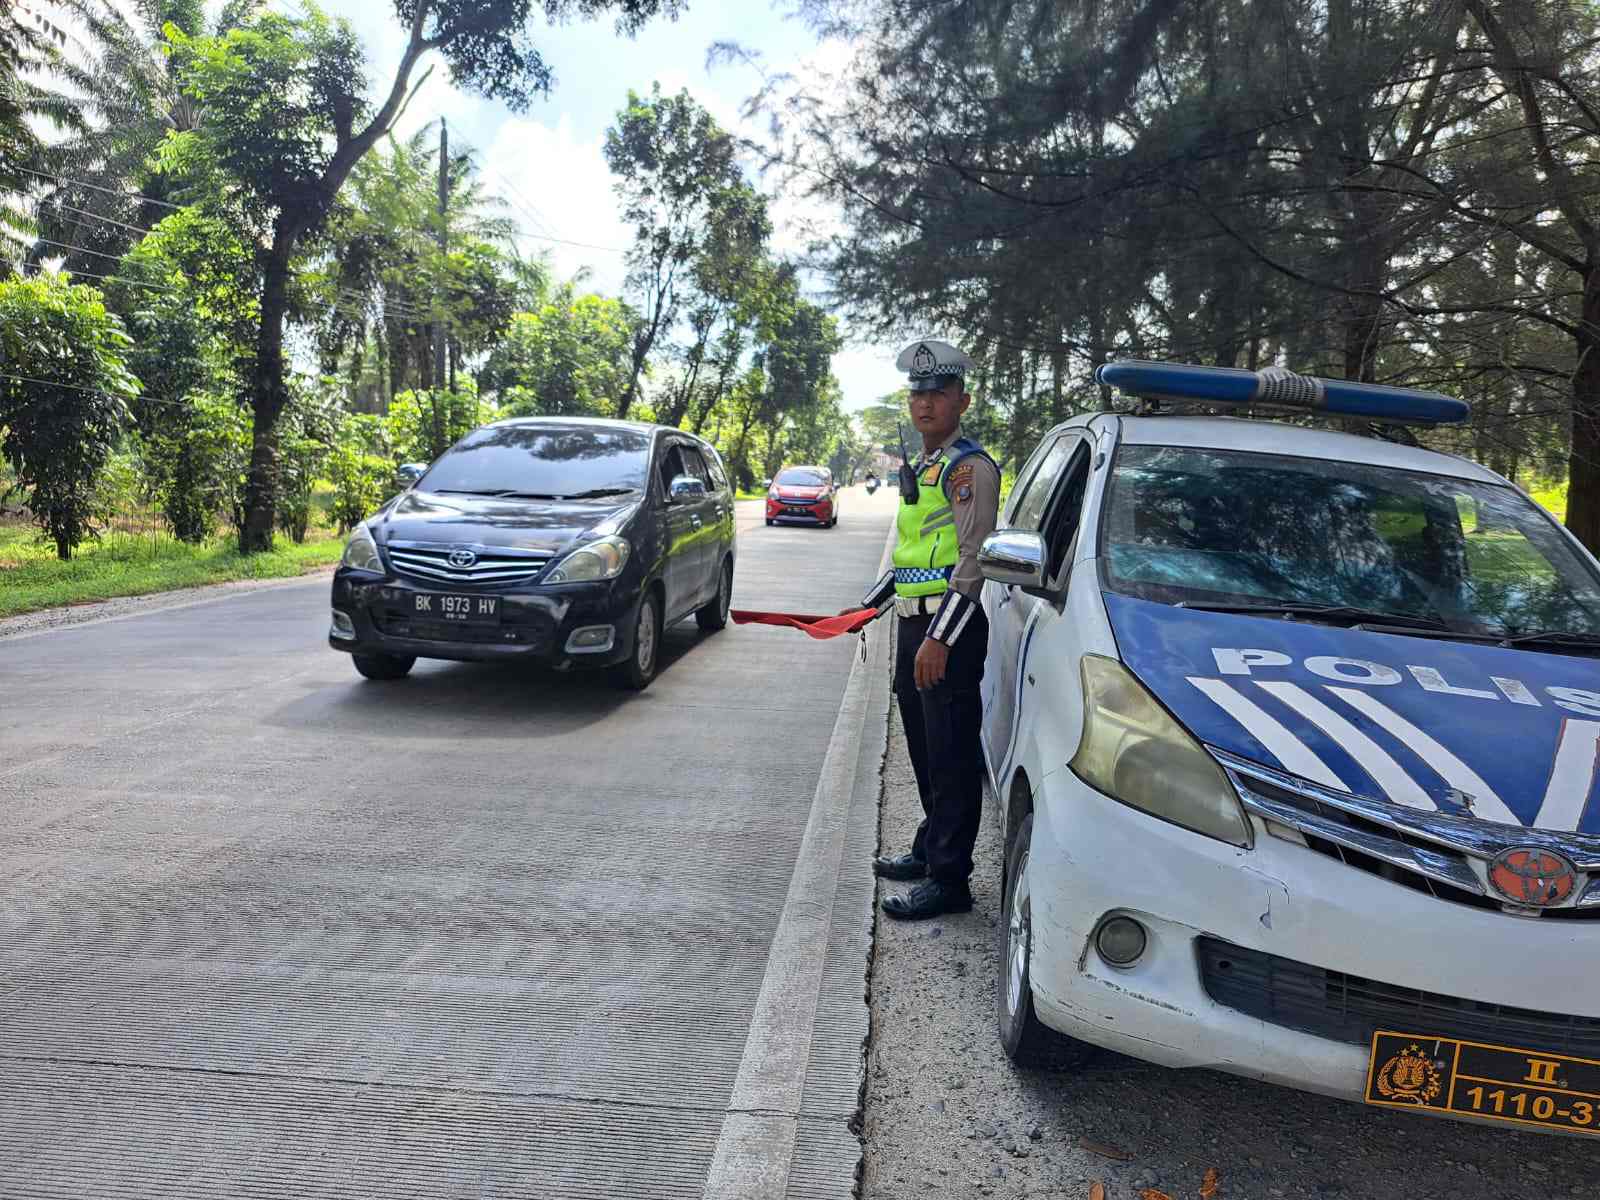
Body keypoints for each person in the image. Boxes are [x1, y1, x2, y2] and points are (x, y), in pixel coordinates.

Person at [869, 338, 1001, 920]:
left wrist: (939, 638)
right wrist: (869, 606)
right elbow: (914, 556)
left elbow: (972, 561)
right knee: (925, 749)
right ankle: (930, 849)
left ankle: (950, 880)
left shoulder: (969, 468)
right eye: (918, 393)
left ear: (962, 401)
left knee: (950, 754)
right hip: (915, 624)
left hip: (948, 630)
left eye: (939, 393)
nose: (925, 403)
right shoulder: (926, 466)